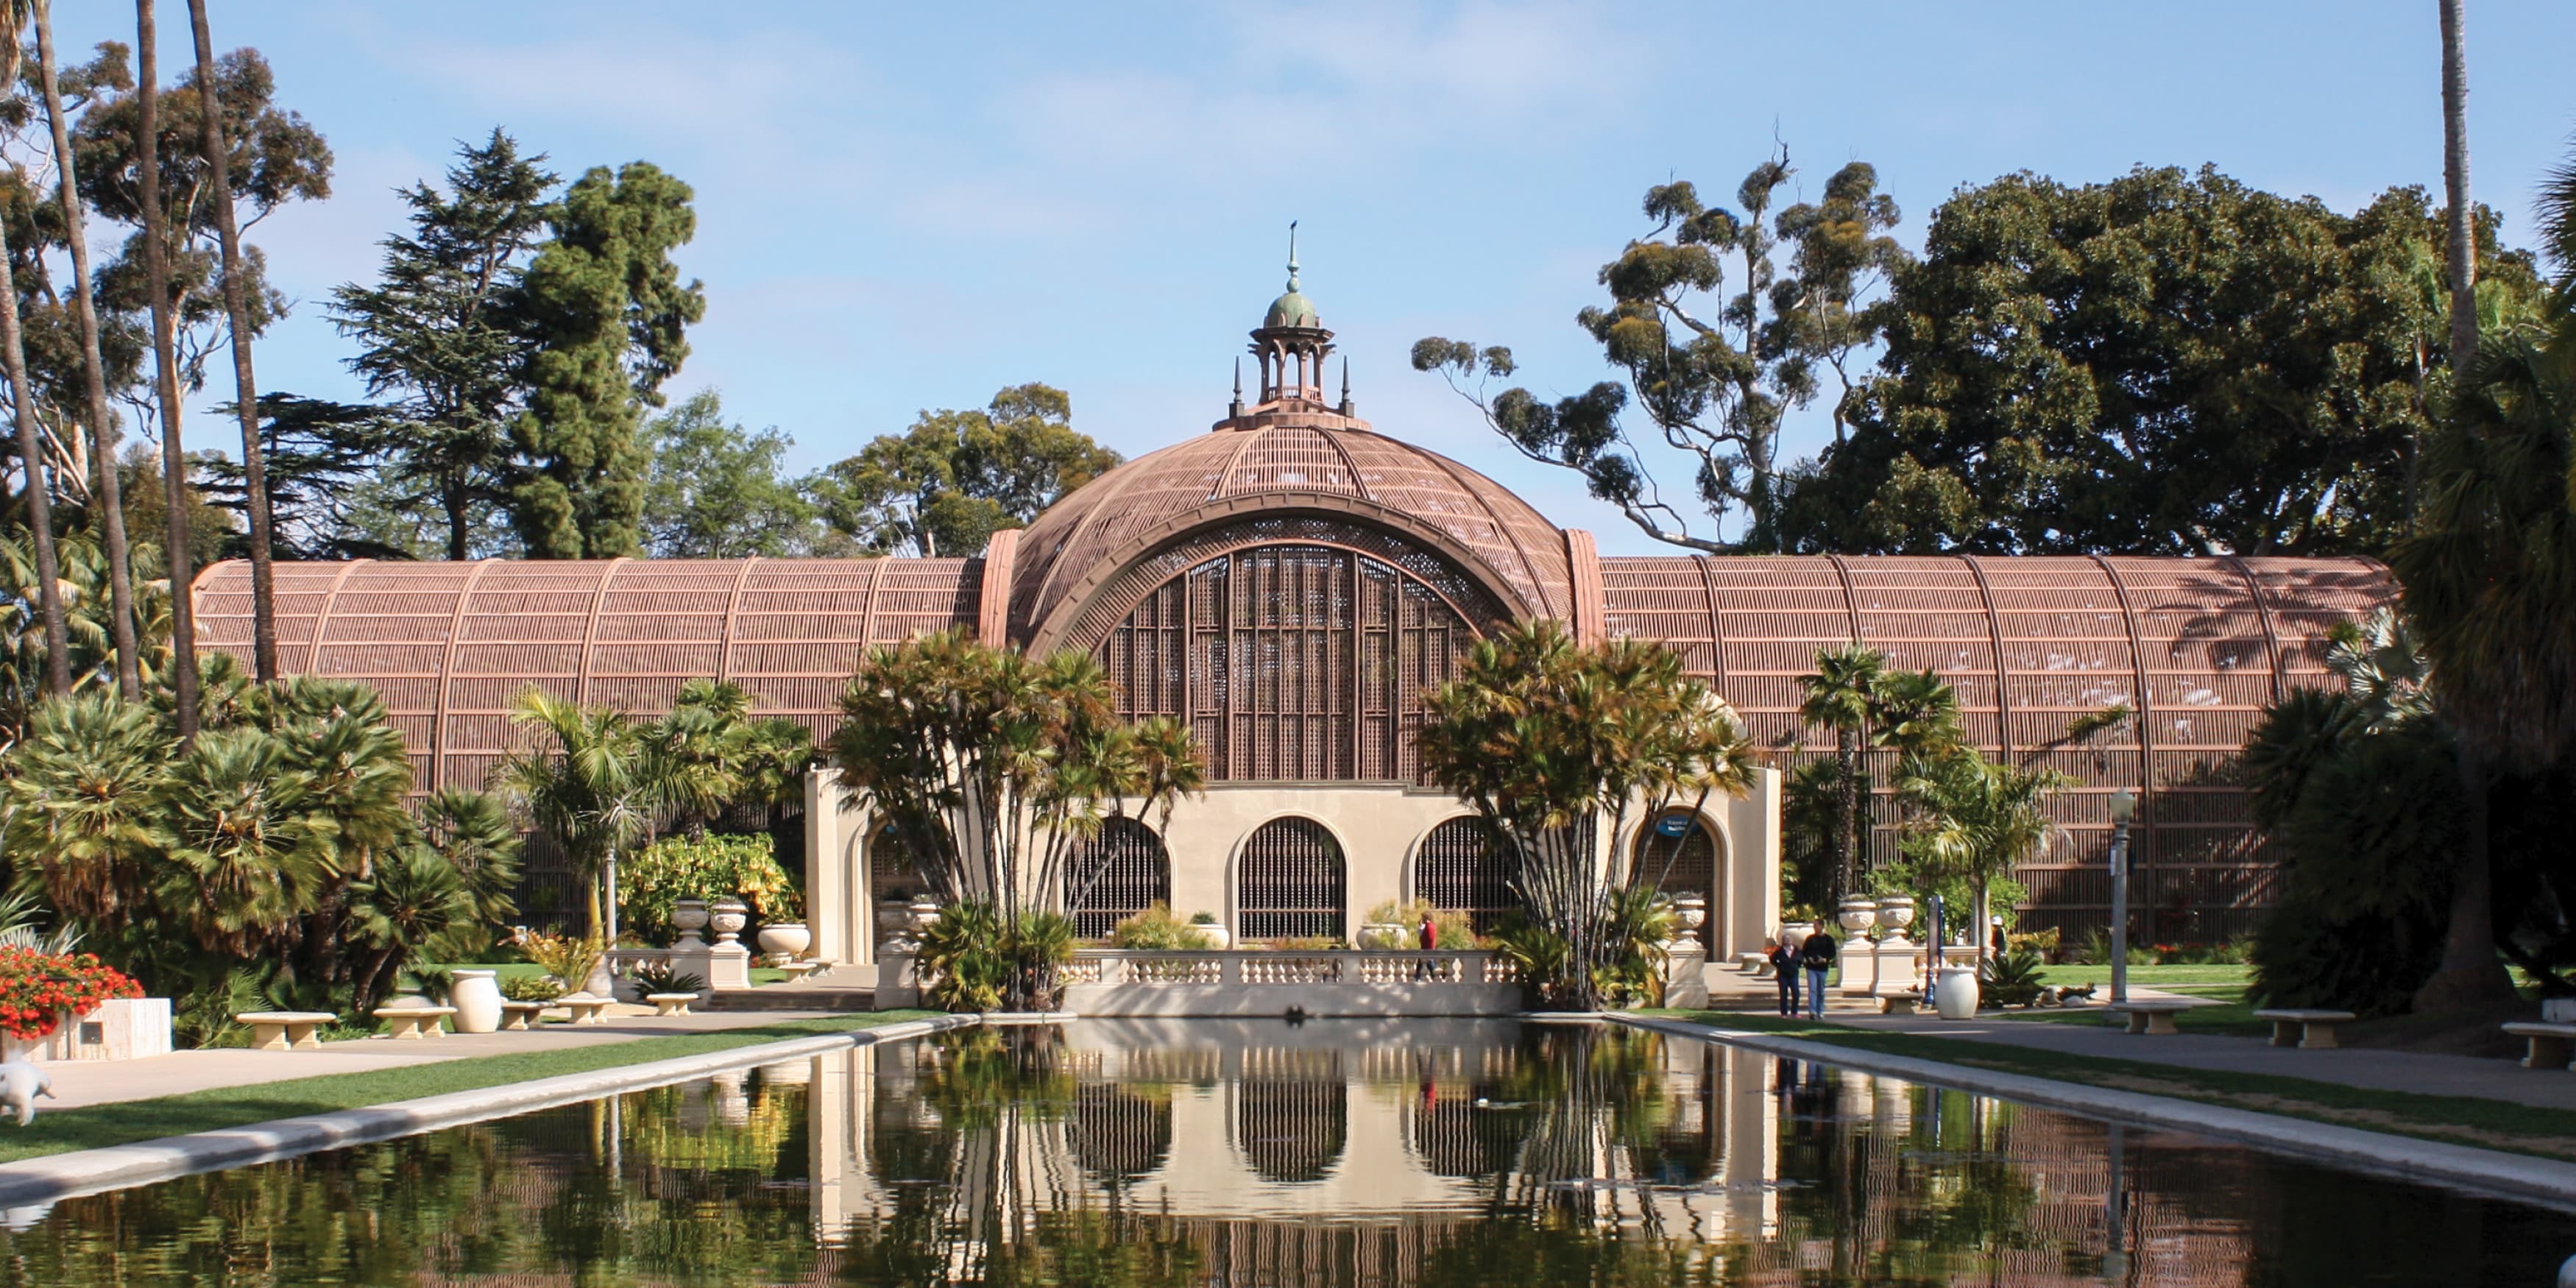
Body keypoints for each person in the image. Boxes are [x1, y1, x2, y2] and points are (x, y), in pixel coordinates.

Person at [1798, 921, 1838, 1020]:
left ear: (1821, 926)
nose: (1814, 927)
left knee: (1821, 991)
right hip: (1811, 968)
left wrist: (1825, 959)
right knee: (1812, 989)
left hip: (1823, 968)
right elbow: (1804, 951)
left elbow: (1833, 953)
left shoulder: (1828, 939)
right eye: (1814, 926)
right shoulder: (1810, 939)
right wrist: (1809, 958)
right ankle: (1812, 1011)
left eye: (1816, 925)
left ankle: (1820, 1011)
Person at [1766, 937, 1801, 1016]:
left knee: (1796, 994)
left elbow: (1800, 959)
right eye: (1786, 939)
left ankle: (1794, 1012)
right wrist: (1779, 966)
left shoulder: (1796, 950)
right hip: (1783, 975)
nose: (1788, 941)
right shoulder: (1780, 951)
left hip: (1794, 975)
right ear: (1783, 941)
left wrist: (1796, 966)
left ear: (1792, 940)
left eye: (1789, 939)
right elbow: (1772, 959)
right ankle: (1784, 1013)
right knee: (1783, 994)